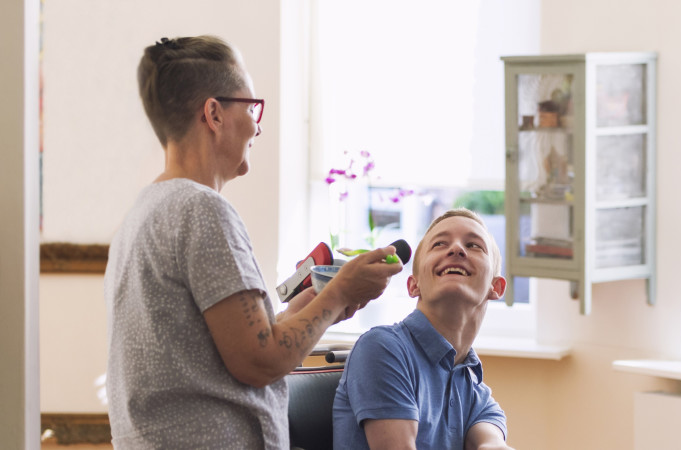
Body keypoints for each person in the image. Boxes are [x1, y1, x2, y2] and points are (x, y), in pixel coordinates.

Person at [104, 35, 403, 449]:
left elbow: (237, 345)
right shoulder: (202, 211)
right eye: (252, 107)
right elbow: (260, 361)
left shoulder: (142, 213)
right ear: (214, 113)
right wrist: (340, 292)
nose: (258, 125)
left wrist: (319, 303)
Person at [333, 208, 515, 450]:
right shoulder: (382, 348)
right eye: (439, 244)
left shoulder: (474, 391)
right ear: (413, 285)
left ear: (497, 287)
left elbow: (491, 444)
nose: (456, 249)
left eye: (473, 245)